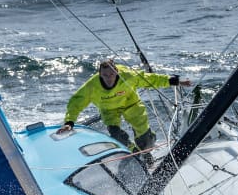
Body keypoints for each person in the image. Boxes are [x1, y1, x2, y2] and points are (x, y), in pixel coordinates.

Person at [57, 59, 191, 162]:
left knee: (146, 141)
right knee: (117, 137)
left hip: (131, 103)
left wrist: (176, 80)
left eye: (111, 74)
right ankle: (134, 154)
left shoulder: (128, 76)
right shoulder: (92, 86)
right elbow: (76, 102)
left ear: (117, 71)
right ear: (99, 74)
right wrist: (69, 122)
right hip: (109, 110)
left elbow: (150, 79)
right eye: (105, 75)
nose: (109, 78)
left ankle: (145, 152)